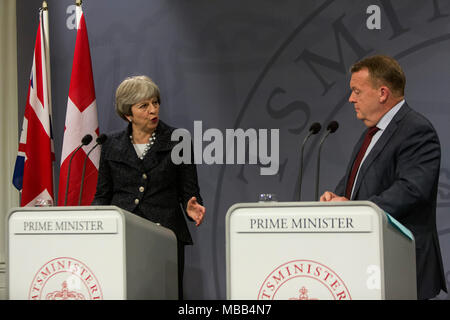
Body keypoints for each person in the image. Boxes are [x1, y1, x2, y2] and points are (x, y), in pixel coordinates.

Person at [320, 55, 447, 300]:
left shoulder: (416, 130)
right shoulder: (372, 132)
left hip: (401, 263)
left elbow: (412, 189)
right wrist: (338, 197)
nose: (351, 99)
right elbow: (356, 180)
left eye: (357, 91)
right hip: (367, 263)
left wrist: (357, 209)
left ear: (382, 93)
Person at [92, 75, 205, 299]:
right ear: (128, 114)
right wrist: (95, 224)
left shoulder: (177, 140)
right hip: (122, 233)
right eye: (144, 106)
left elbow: (189, 190)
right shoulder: (110, 144)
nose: (153, 110)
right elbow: (103, 194)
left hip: (165, 233)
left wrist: (192, 205)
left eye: (155, 103)